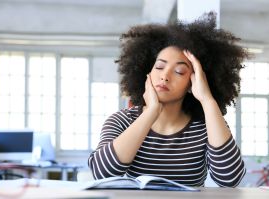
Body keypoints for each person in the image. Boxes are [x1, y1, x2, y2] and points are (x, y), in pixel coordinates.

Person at [88, 12, 248, 187]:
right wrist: (150, 112)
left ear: (193, 83)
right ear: (146, 72)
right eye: (159, 67)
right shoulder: (121, 121)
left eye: (179, 71)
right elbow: (101, 172)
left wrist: (207, 99)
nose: (164, 76)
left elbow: (230, 179)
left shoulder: (206, 126)